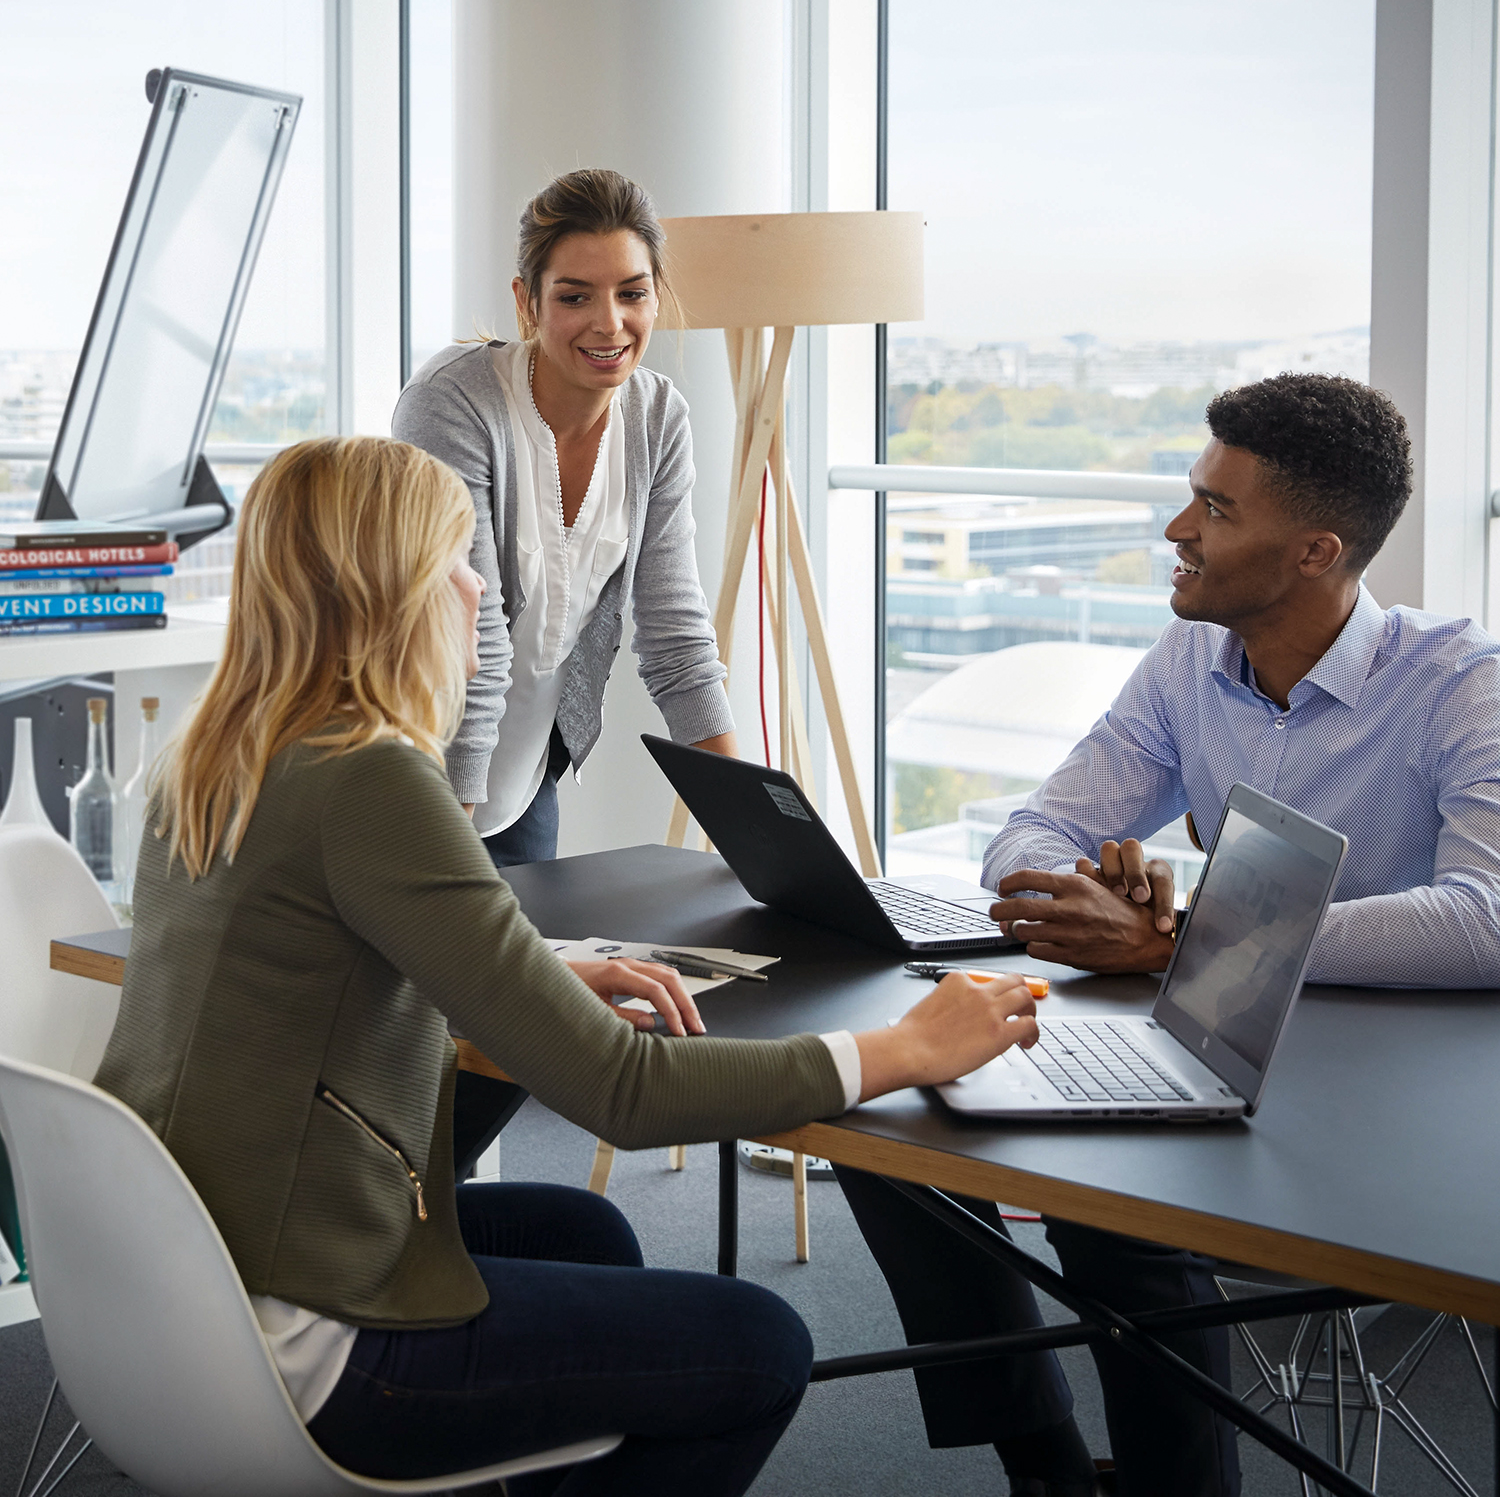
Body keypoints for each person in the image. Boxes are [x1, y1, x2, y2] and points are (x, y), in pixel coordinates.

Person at [93, 435, 1047, 1497]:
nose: (475, 591)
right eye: (459, 561)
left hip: (180, 1271)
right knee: (761, 1348)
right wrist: (904, 1047)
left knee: (582, 1229)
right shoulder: (372, 781)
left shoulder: (222, 753)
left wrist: (534, 974)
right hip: (307, 1336)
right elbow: (621, 1092)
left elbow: (312, 963)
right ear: (395, 590)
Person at [836, 373, 1500, 1497]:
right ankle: (1046, 1465)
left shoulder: (1459, 684)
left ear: (1315, 552)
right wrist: (1087, 894)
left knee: (1116, 1228)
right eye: (1193, 496)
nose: (1176, 530)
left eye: (1218, 511)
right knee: (889, 1123)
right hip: (1201, 1047)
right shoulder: (1190, 659)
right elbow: (1031, 830)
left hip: (1385, 1104)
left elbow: (1486, 921)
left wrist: (1192, 936)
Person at [392, 167, 734, 872]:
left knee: (529, 976)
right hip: (412, 777)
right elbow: (473, 643)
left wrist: (762, 840)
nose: (609, 323)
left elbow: (676, 637)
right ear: (528, 302)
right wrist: (449, 874)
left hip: (522, 782)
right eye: (575, 297)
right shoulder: (453, 405)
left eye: (632, 293)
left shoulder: (657, 418)